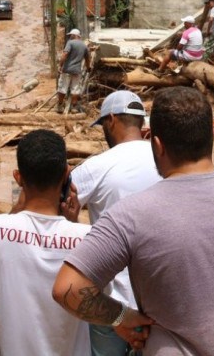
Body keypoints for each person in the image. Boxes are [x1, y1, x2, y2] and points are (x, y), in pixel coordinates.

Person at [53, 86, 214, 355]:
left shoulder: (129, 215)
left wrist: (121, 317)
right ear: (212, 136)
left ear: (157, 144)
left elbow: (68, 288)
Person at [0, 129, 93, 356]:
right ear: (66, 174)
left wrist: (14, 211)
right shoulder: (88, 238)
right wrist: (72, 224)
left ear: (18, 178)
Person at [70, 90, 162, 355]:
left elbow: (54, 203)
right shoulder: (166, 160)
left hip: (114, 306)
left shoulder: (96, 167)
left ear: (110, 120)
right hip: (161, 300)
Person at [56, 28, 91, 114]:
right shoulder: (84, 46)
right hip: (77, 71)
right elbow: (87, 58)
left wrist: (60, 65)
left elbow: (65, 54)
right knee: (75, 89)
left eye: (70, 35)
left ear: (74, 35)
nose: (69, 37)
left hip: (67, 69)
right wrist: (88, 67)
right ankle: (74, 108)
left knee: (62, 87)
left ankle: (60, 106)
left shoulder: (70, 43)